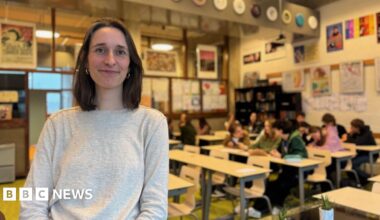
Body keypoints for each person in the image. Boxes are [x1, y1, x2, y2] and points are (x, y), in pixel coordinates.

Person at [20, 18, 169, 219]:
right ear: (86, 61)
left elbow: (155, 208)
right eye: (100, 50)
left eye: (120, 51)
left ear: (130, 64)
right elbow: (33, 202)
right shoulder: (57, 125)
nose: (110, 60)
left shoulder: (152, 124)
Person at [262, 120, 307, 211]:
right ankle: (260, 208)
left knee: (281, 185)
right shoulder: (283, 140)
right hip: (287, 170)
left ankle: (277, 206)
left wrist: (282, 156)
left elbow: (301, 156)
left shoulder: (295, 139)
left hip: (298, 172)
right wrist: (273, 152)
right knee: (271, 184)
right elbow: (279, 152)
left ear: (281, 131)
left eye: (275, 130)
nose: (274, 132)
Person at [346, 119, 377, 184]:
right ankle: (356, 179)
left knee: (353, 164)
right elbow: (349, 142)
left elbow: (357, 143)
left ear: (357, 128)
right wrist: (350, 135)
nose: (351, 129)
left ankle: (367, 178)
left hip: (370, 155)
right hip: (361, 154)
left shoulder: (367, 133)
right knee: (348, 162)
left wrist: (350, 136)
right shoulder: (356, 133)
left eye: (352, 127)